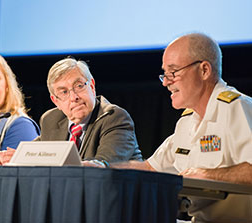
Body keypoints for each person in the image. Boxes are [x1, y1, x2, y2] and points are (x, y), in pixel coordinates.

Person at [105, 33, 252, 222]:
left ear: (204, 70)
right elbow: (150, 168)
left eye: (173, 72)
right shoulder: (187, 121)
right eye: (164, 74)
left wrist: (208, 175)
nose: (166, 82)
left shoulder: (237, 108)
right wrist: (99, 168)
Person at [0, 57, 142, 165]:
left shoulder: (114, 118)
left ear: (92, 86)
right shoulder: (52, 120)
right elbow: (34, 152)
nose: (74, 97)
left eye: (79, 86)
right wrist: (15, 157)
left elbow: (102, 166)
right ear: (56, 101)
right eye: (64, 92)